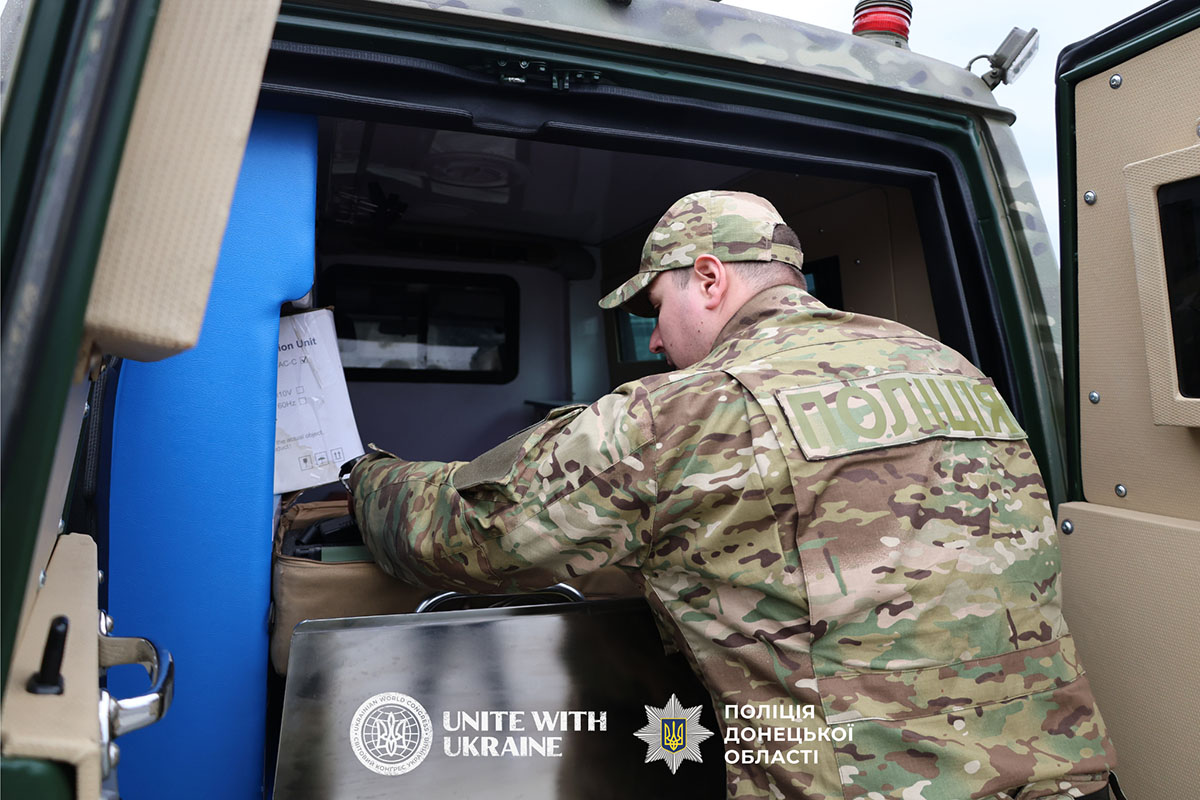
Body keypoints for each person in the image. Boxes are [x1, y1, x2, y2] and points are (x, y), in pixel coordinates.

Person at [346, 191, 1116, 799]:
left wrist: (365, 475)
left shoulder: (681, 410)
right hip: (1067, 782)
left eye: (656, 310)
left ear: (709, 278)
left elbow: (457, 535)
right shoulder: (951, 369)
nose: (653, 342)